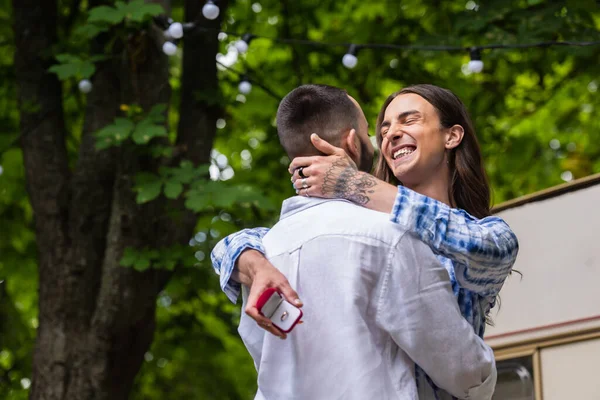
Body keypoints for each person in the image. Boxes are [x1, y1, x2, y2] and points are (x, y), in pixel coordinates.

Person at [207, 84, 519, 398]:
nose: (391, 134)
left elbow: (487, 249)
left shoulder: (485, 234)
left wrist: (355, 183)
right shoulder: (372, 231)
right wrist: (255, 265)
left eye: (408, 121)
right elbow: (236, 246)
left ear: (452, 135)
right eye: (383, 128)